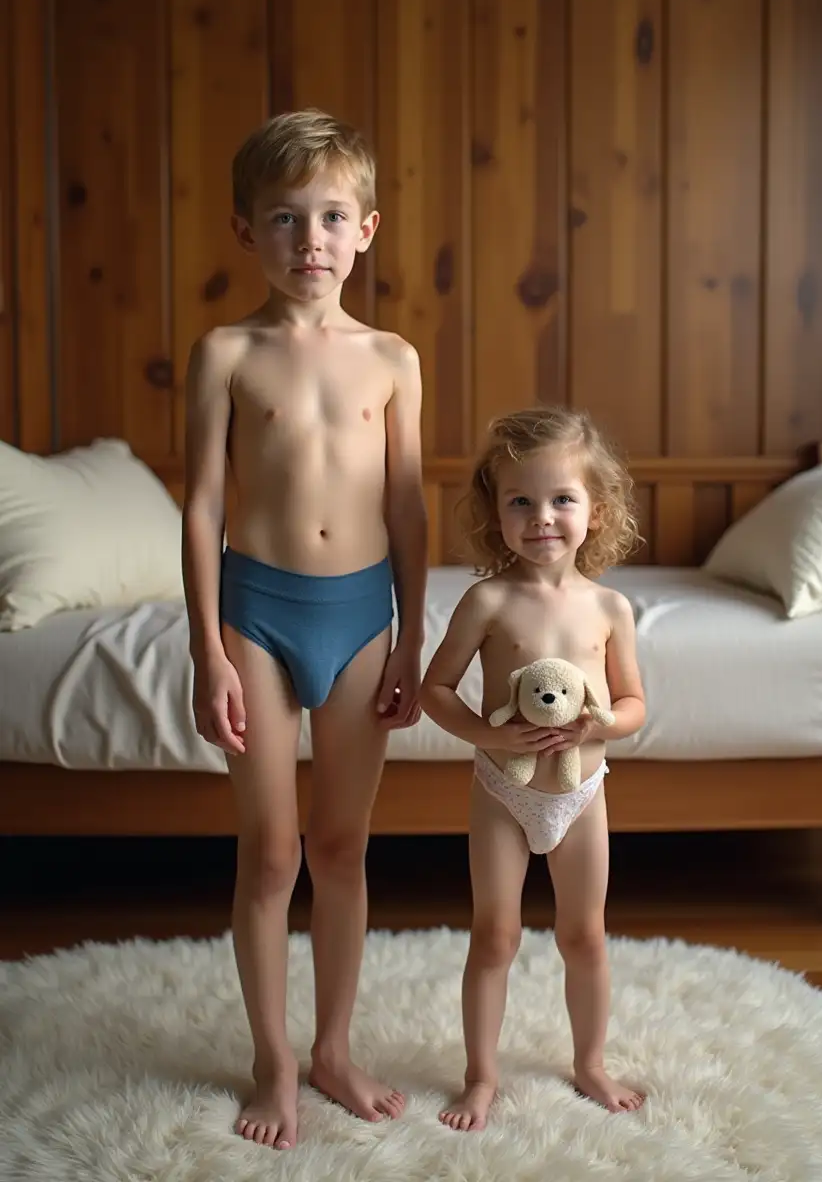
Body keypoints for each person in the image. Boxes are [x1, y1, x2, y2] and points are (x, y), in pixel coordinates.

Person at [181, 109, 428, 1151]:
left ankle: (330, 1044)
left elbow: (410, 503)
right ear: (248, 231)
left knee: (340, 842)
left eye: (331, 216)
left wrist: (415, 635)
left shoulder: (392, 358)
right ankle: (273, 1058)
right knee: (272, 849)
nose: (310, 239)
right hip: (257, 610)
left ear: (366, 229)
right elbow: (199, 503)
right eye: (286, 219)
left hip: (362, 612)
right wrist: (205, 649)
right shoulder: (226, 350)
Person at [420, 406, 647, 1131]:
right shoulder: (487, 599)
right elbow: (435, 690)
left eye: (561, 500)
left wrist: (603, 721)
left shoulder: (610, 606)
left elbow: (636, 701)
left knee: (584, 934)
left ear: (595, 509)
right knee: (496, 935)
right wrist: (486, 737)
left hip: (582, 792)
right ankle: (480, 1077)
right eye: (520, 500)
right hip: (501, 794)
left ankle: (590, 1063)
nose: (541, 517)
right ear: (495, 510)